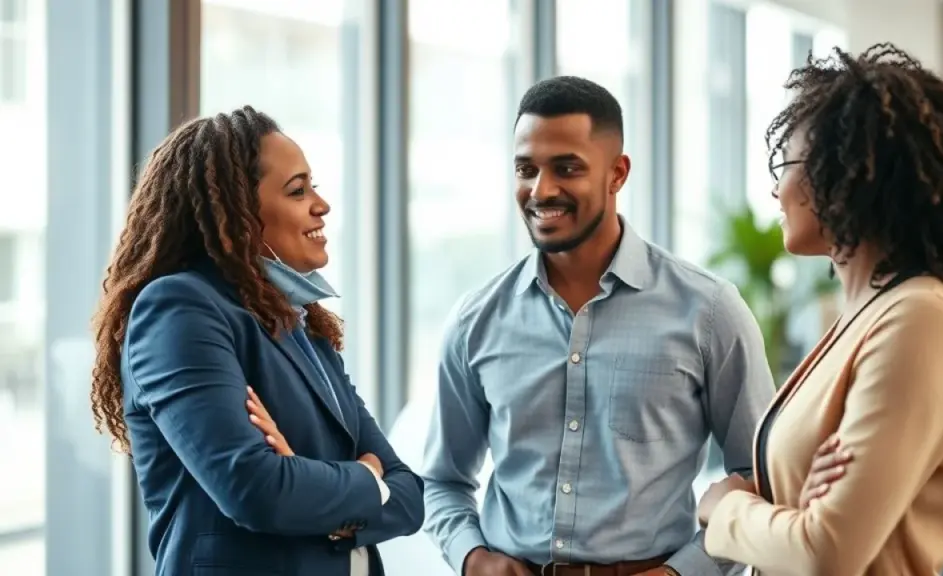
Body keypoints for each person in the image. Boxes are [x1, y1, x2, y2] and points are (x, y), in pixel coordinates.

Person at [421, 75, 777, 576]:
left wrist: (685, 572)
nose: (541, 190)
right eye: (526, 169)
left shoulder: (709, 310)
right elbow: (442, 480)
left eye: (566, 168)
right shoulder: (475, 319)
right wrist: (473, 558)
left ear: (617, 173)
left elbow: (760, 477)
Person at [696, 44, 943, 576]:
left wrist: (723, 507)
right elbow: (812, 528)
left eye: (786, 164)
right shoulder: (865, 313)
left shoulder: (921, 320)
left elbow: (825, 551)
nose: (775, 188)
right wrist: (791, 511)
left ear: (844, 175)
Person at [89, 106, 424, 576]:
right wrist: (365, 477)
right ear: (239, 211)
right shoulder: (180, 308)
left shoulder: (301, 325)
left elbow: (410, 496)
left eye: (314, 188)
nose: (320, 206)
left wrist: (308, 482)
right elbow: (256, 491)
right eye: (297, 190)